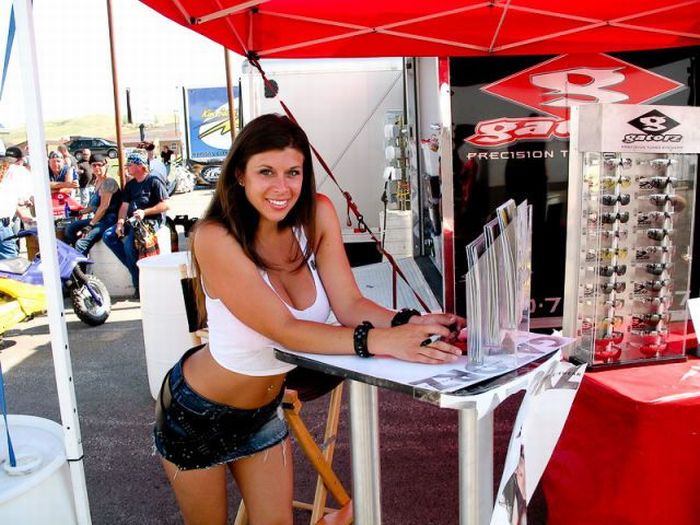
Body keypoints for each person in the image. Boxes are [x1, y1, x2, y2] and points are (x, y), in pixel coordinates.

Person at [153, 114, 465, 524]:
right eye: (266, 172)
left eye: (293, 172)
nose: (282, 187)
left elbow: (350, 304)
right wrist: (380, 341)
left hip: (263, 412)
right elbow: (284, 331)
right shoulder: (215, 237)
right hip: (196, 414)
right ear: (240, 176)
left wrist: (416, 322)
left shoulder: (317, 213)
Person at [102, 151, 168, 293]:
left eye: (129, 165)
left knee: (128, 245)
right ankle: (135, 270)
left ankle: (139, 284)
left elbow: (166, 205)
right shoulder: (130, 185)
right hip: (132, 220)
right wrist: (120, 223)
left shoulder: (154, 181)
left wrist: (145, 212)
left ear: (139, 166)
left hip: (149, 220)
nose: (127, 168)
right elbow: (124, 206)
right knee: (108, 235)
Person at [64, 153, 122, 255]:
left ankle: (80, 269)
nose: (97, 168)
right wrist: (79, 212)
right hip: (99, 218)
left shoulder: (109, 182)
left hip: (109, 220)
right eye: (94, 165)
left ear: (106, 166)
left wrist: (90, 225)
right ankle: (79, 258)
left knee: (81, 243)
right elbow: (94, 206)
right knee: (70, 229)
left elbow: (104, 207)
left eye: (100, 165)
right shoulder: (97, 181)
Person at [0, 142, 34, 259]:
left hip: (4, 223)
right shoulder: (17, 171)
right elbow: (23, 199)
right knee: (10, 263)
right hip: (2, 226)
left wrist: (23, 215)